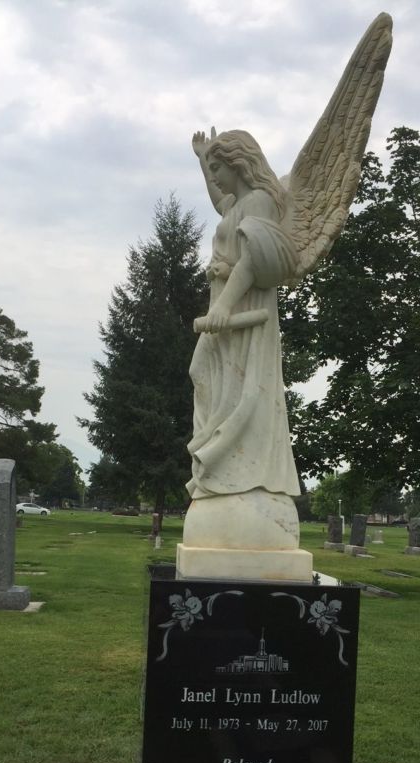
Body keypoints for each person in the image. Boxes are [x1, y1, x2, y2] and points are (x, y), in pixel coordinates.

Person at [187, 128, 300, 501]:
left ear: (237, 163)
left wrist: (223, 305)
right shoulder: (235, 205)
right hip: (224, 306)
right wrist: (202, 159)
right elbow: (218, 200)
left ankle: (232, 467)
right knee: (201, 372)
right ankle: (215, 459)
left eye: (217, 168)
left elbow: (253, 260)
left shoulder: (261, 202)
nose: (215, 176)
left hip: (245, 308)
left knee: (242, 386)